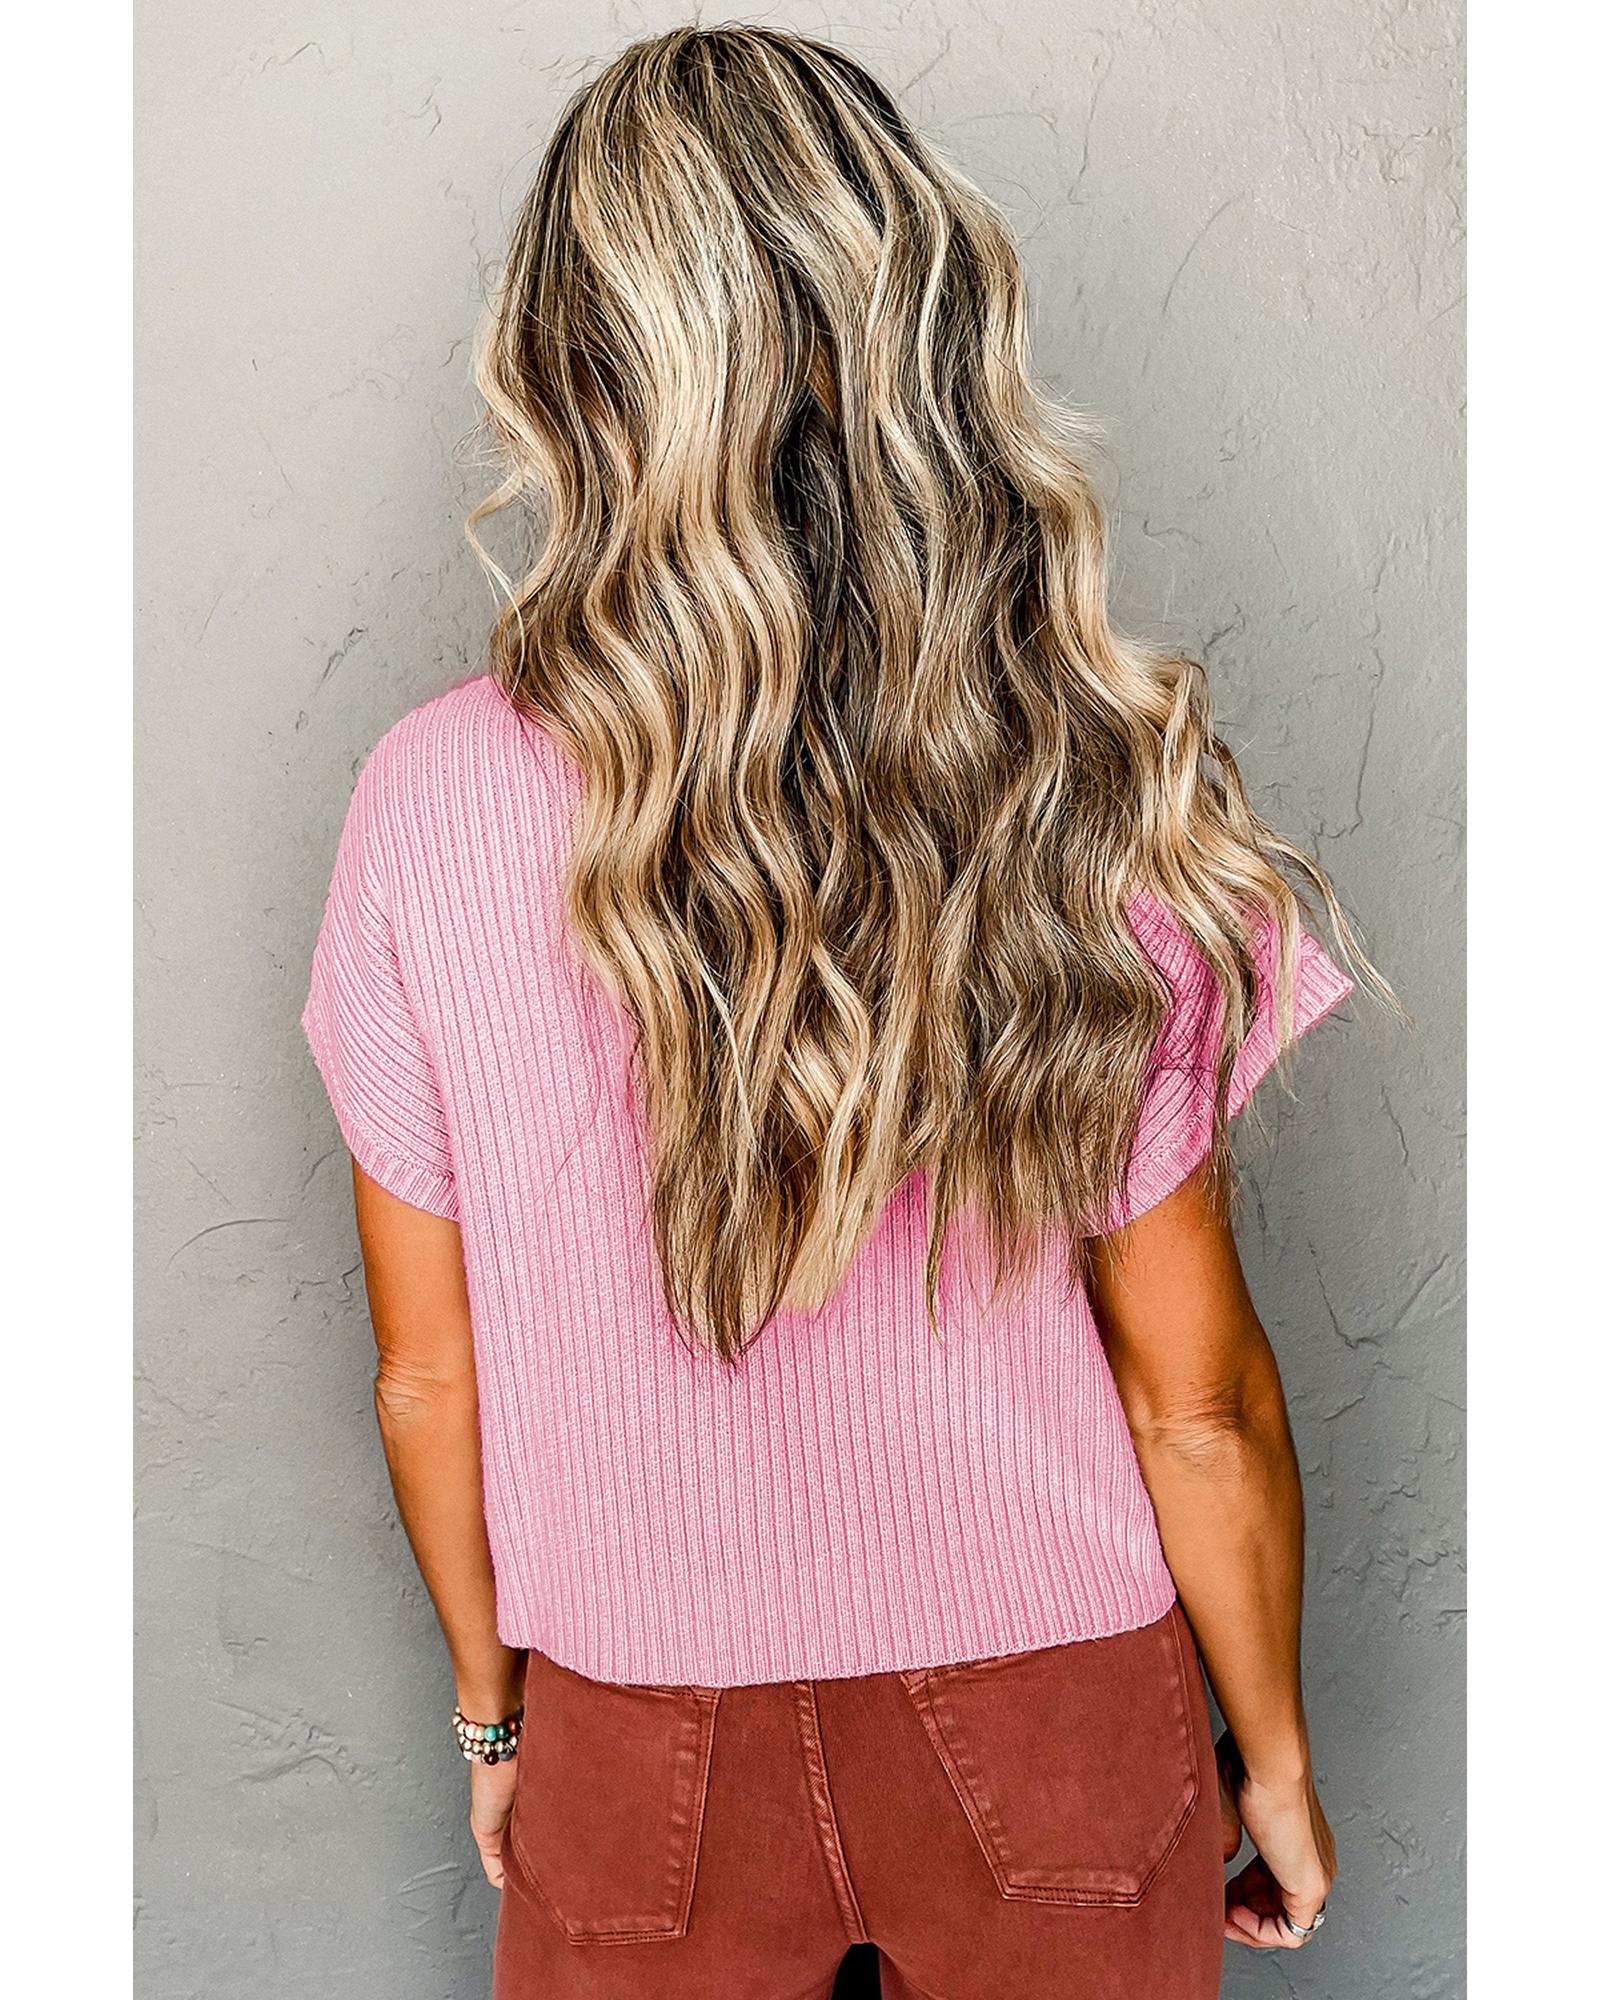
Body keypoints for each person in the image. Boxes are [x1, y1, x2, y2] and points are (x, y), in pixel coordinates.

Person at [301, 25, 1394, 2000]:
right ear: (910, 335)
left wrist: (492, 1712)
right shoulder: (1069, 776)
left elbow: (427, 1377)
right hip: (1057, 1726)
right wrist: (1279, 1755)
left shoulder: (424, 800)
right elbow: (1196, 1397)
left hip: (636, 1731)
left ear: (571, 367)